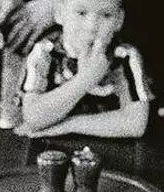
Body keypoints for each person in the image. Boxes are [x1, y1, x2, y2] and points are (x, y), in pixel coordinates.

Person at [13, 0, 153, 138]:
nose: (92, 26)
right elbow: (33, 118)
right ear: (59, 13)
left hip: (111, 147)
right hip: (50, 145)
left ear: (119, 20)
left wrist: (68, 125)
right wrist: (86, 79)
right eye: (81, 13)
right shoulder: (45, 51)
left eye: (106, 15)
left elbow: (136, 124)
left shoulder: (124, 55)